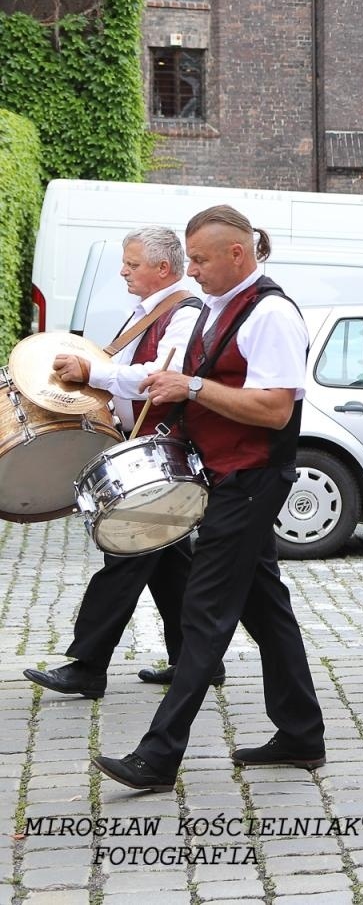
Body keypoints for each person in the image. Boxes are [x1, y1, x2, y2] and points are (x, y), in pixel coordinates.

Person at [93, 206, 326, 792]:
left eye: (198, 259)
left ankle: (159, 754)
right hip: (228, 474)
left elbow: (275, 409)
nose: (190, 270)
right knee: (265, 609)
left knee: (204, 612)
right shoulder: (220, 306)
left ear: (237, 254)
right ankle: (301, 733)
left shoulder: (271, 314)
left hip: (252, 478)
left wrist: (192, 386)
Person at [24, 228, 207, 700]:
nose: (123, 271)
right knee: (168, 563)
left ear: (162, 269)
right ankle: (198, 661)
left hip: (161, 449)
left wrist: (95, 371)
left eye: (132, 264)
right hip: (143, 446)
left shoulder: (184, 313)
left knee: (127, 551)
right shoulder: (147, 312)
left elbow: (160, 376)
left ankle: (88, 666)